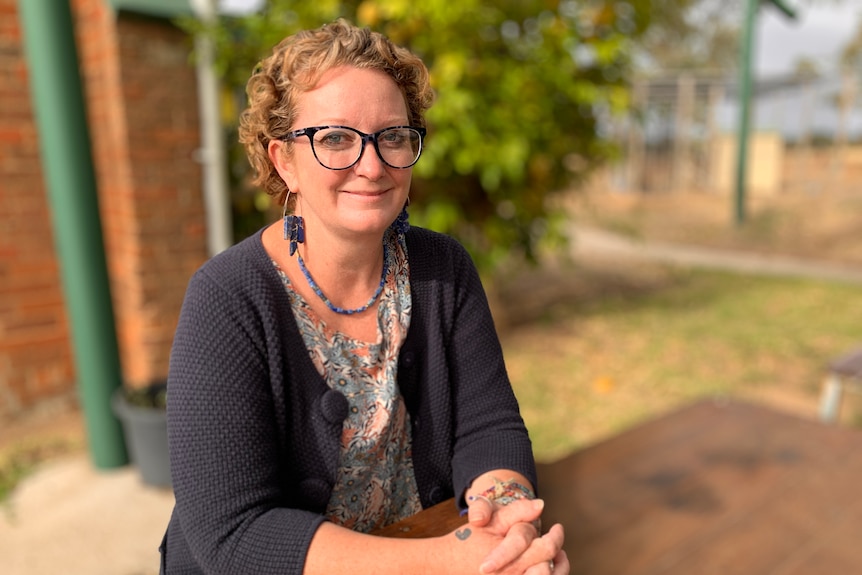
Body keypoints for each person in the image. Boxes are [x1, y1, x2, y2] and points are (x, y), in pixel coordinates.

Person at [159, 18, 568, 575]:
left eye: (392, 136)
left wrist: (508, 532)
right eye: (335, 139)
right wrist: (448, 561)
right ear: (284, 161)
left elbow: (489, 428)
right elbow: (236, 534)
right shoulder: (226, 299)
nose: (372, 165)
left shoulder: (442, 268)